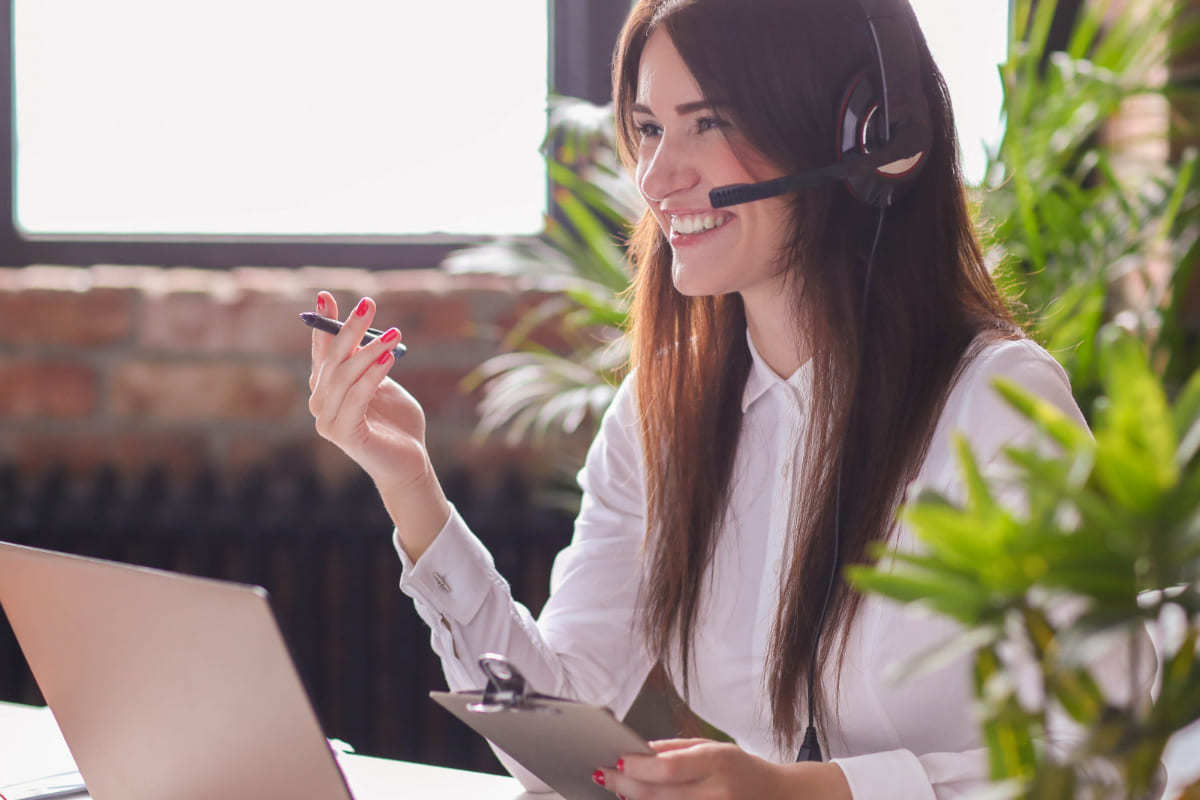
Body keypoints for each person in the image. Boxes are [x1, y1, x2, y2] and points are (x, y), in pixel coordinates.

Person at [307, 1, 1153, 797]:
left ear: (866, 141)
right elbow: (554, 721)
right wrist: (409, 489)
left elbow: (1115, 759)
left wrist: (810, 792)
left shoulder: (993, 404)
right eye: (647, 128)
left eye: (708, 122)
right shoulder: (662, 410)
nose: (655, 177)